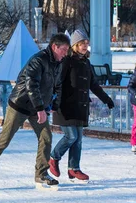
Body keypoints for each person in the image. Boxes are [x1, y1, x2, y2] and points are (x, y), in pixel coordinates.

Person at [0, 33, 70, 190]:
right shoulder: (38, 60)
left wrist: (54, 104)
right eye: (64, 49)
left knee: (46, 137)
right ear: (55, 47)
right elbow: (31, 85)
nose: (66, 53)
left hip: (38, 107)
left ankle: (41, 173)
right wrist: (41, 109)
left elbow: (57, 85)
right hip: (20, 104)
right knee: (5, 139)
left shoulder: (58, 63)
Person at [49, 30, 114, 183]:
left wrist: (107, 99)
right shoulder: (67, 61)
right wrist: (53, 101)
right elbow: (56, 82)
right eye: (81, 43)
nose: (85, 46)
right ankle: (53, 157)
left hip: (80, 106)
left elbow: (93, 85)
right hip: (65, 105)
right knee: (71, 136)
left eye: (86, 43)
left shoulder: (86, 62)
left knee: (77, 140)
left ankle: (74, 169)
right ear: (74, 45)